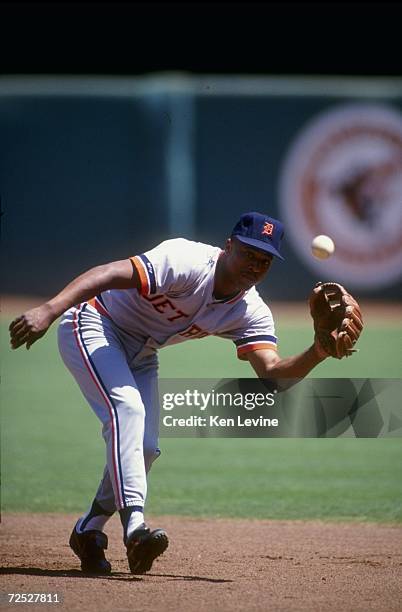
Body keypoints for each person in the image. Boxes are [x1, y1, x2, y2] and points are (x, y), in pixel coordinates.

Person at [9, 211, 334, 575]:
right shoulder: (187, 260)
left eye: (265, 260)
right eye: (249, 253)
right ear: (229, 246)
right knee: (127, 410)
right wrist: (50, 309)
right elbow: (107, 273)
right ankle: (135, 528)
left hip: (144, 353)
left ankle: (89, 530)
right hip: (94, 322)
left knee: (146, 448)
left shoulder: (250, 311)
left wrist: (318, 351)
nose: (255, 265)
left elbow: (274, 376)